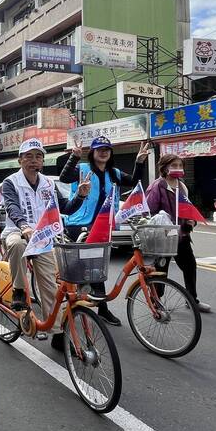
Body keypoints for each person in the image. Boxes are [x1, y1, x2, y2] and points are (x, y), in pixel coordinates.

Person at [59, 136, 150, 326]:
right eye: (100, 149)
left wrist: (139, 163)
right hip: (79, 223)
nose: (104, 152)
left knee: (97, 266)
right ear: (92, 153)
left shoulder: (114, 173)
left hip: (104, 224)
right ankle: (99, 305)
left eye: (107, 149)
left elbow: (133, 181)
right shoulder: (83, 169)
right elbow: (64, 177)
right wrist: (74, 157)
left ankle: (99, 305)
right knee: (93, 265)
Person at [1, 138, 80, 351]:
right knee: (17, 245)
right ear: (20, 160)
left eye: (38, 156)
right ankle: (18, 291)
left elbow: (65, 207)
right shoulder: (11, 182)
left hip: (43, 237)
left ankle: (57, 333)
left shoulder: (48, 183)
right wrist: (24, 226)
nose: (34, 161)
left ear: (42, 161)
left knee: (51, 287)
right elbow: (11, 206)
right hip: (18, 231)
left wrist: (81, 195)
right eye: (28, 156)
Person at [146, 154, 211, 313]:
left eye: (180, 165)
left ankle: (192, 300)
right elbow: (149, 212)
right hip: (163, 237)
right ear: (164, 167)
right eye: (174, 165)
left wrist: (191, 221)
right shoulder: (157, 186)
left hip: (181, 236)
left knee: (190, 266)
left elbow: (187, 209)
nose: (178, 168)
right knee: (161, 271)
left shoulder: (182, 187)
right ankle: (156, 302)